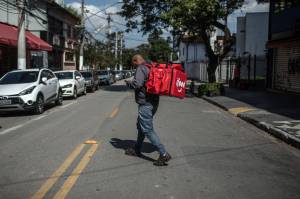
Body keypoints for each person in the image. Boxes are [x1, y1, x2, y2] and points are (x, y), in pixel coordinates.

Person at [125, 54, 172, 166]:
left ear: (136, 61)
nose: (134, 66)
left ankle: (164, 154)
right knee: (141, 126)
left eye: (134, 64)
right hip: (154, 102)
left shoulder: (141, 68)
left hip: (145, 103)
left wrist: (128, 82)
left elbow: (137, 84)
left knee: (147, 129)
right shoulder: (150, 66)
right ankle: (137, 149)